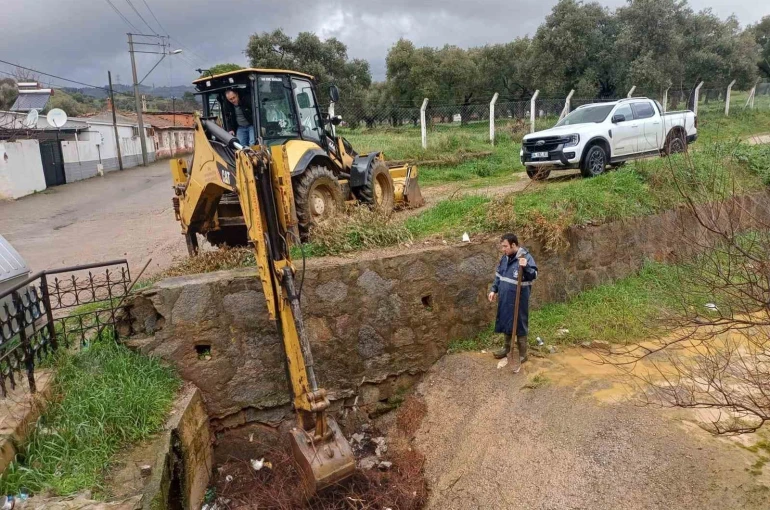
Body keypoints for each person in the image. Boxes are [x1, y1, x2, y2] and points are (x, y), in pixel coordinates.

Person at [488, 233, 538, 367]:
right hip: (505, 297)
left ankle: (522, 354)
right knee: (506, 321)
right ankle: (506, 348)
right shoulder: (505, 258)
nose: (503, 249)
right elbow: (499, 275)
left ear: (514, 245)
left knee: (520, 322)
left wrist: (526, 266)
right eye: (502, 246)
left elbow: (534, 275)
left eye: (505, 246)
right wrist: (494, 290)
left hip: (519, 299)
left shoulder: (525, 257)